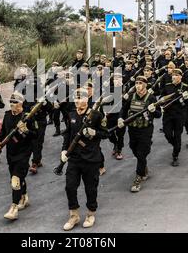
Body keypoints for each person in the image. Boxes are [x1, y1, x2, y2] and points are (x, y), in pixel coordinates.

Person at [61, 88, 108, 231]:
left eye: (80, 98)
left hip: (91, 158)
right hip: (74, 158)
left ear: (87, 99)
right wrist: (64, 149)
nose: (77, 101)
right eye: (75, 98)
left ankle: (90, 213)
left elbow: (106, 133)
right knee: (70, 186)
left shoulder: (97, 115)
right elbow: (68, 133)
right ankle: (74, 214)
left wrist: (95, 133)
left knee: (90, 188)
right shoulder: (71, 114)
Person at [0, 92, 37, 221]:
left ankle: (14, 208)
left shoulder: (28, 117)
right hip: (11, 153)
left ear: (21, 103)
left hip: (23, 153)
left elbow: (36, 135)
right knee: (16, 179)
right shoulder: (7, 115)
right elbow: (3, 133)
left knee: (15, 180)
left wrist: (26, 131)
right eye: (11, 102)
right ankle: (24, 196)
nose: (12, 105)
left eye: (15, 102)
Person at [118, 76, 161, 192]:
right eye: (136, 83)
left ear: (145, 85)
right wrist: (120, 119)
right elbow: (123, 109)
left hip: (145, 130)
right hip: (133, 129)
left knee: (142, 153)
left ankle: (138, 177)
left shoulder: (151, 98)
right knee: (134, 149)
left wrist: (153, 111)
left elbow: (159, 114)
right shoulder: (131, 97)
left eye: (140, 83)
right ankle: (144, 167)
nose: (138, 85)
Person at [160, 69, 188, 166]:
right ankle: (175, 145)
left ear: (180, 76)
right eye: (173, 75)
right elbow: (162, 98)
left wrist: (186, 97)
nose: (174, 77)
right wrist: (161, 106)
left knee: (177, 135)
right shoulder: (167, 86)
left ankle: (175, 155)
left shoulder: (185, 87)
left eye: (176, 75)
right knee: (167, 133)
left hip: (179, 115)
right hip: (168, 114)